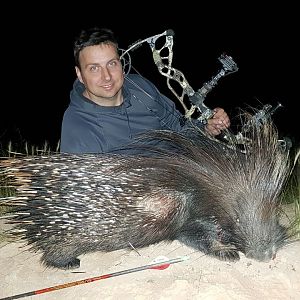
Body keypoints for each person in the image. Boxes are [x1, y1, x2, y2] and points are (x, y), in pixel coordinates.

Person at [60, 27, 230, 154]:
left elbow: (179, 128)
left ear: (121, 62)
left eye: (112, 64)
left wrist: (206, 128)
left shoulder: (140, 86)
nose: (107, 77)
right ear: (80, 74)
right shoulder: (78, 126)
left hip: (182, 169)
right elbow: (90, 194)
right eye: (94, 68)